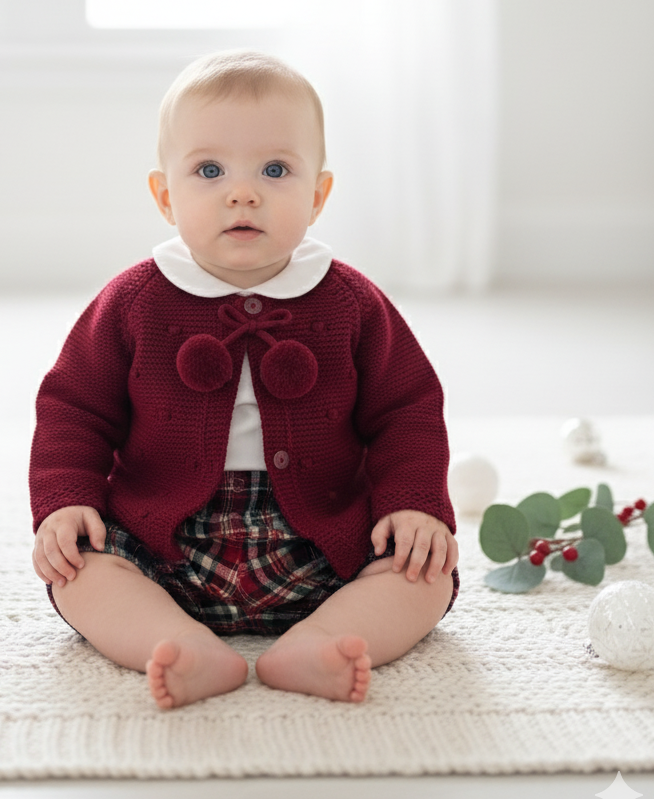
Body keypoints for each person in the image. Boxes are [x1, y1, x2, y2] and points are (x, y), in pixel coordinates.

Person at [29, 50, 459, 709]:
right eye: (209, 170)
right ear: (165, 195)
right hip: (162, 541)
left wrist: (413, 500)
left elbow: (408, 407)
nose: (243, 192)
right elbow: (73, 407)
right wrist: (64, 498)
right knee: (78, 572)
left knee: (425, 573)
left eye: (276, 169)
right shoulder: (135, 300)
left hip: (322, 538)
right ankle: (174, 639)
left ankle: (323, 640)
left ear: (318, 195)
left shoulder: (350, 301)